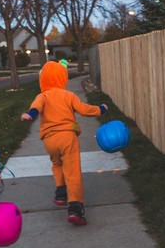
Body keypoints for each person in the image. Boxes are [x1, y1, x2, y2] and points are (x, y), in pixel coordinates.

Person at [21, 60, 106, 225]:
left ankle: (61, 192)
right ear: (63, 79)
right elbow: (84, 110)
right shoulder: (69, 96)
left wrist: (30, 115)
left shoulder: (42, 96)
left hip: (50, 140)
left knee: (57, 164)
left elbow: (35, 107)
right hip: (67, 137)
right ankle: (75, 208)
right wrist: (100, 109)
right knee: (72, 171)